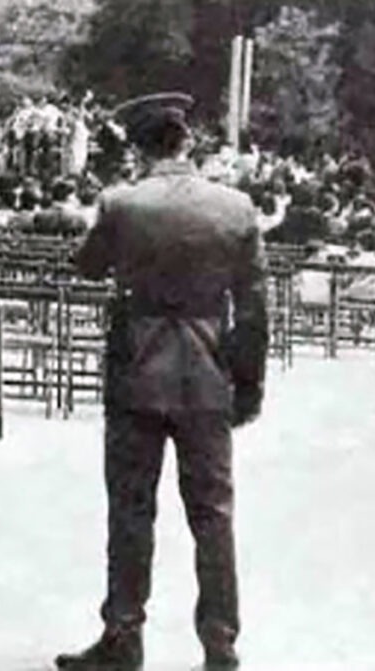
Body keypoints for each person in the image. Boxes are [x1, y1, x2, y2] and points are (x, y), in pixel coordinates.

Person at [55, 92, 269, 671]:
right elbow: (254, 308)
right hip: (208, 376)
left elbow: (87, 265)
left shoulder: (122, 203)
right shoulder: (236, 207)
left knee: (130, 510)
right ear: (188, 142)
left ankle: (122, 637)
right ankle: (220, 645)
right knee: (213, 514)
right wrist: (247, 386)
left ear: (140, 148)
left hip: (136, 373)